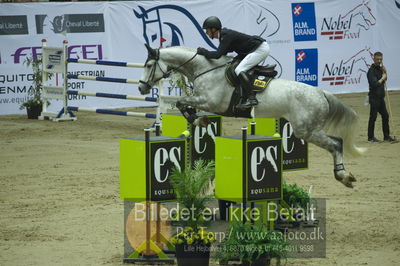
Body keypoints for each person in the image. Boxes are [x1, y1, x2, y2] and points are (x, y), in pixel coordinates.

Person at [197, 16, 270, 108]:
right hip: (254, 49)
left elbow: (217, 55)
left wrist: (204, 52)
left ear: (213, 29)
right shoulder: (223, 36)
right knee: (235, 66)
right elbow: (223, 54)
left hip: (259, 49)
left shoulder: (225, 35)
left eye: (207, 30)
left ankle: (252, 98)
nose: (206, 33)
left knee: (239, 70)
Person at [366, 51, 395, 142]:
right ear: (374, 59)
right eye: (377, 59)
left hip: (381, 98)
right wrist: (383, 77)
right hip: (374, 97)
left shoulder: (380, 69)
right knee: (373, 117)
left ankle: (386, 136)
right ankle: (370, 137)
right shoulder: (371, 71)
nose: (379, 61)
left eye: (381, 59)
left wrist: (385, 73)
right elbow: (374, 84)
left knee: (385, 116)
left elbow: (384, 80)